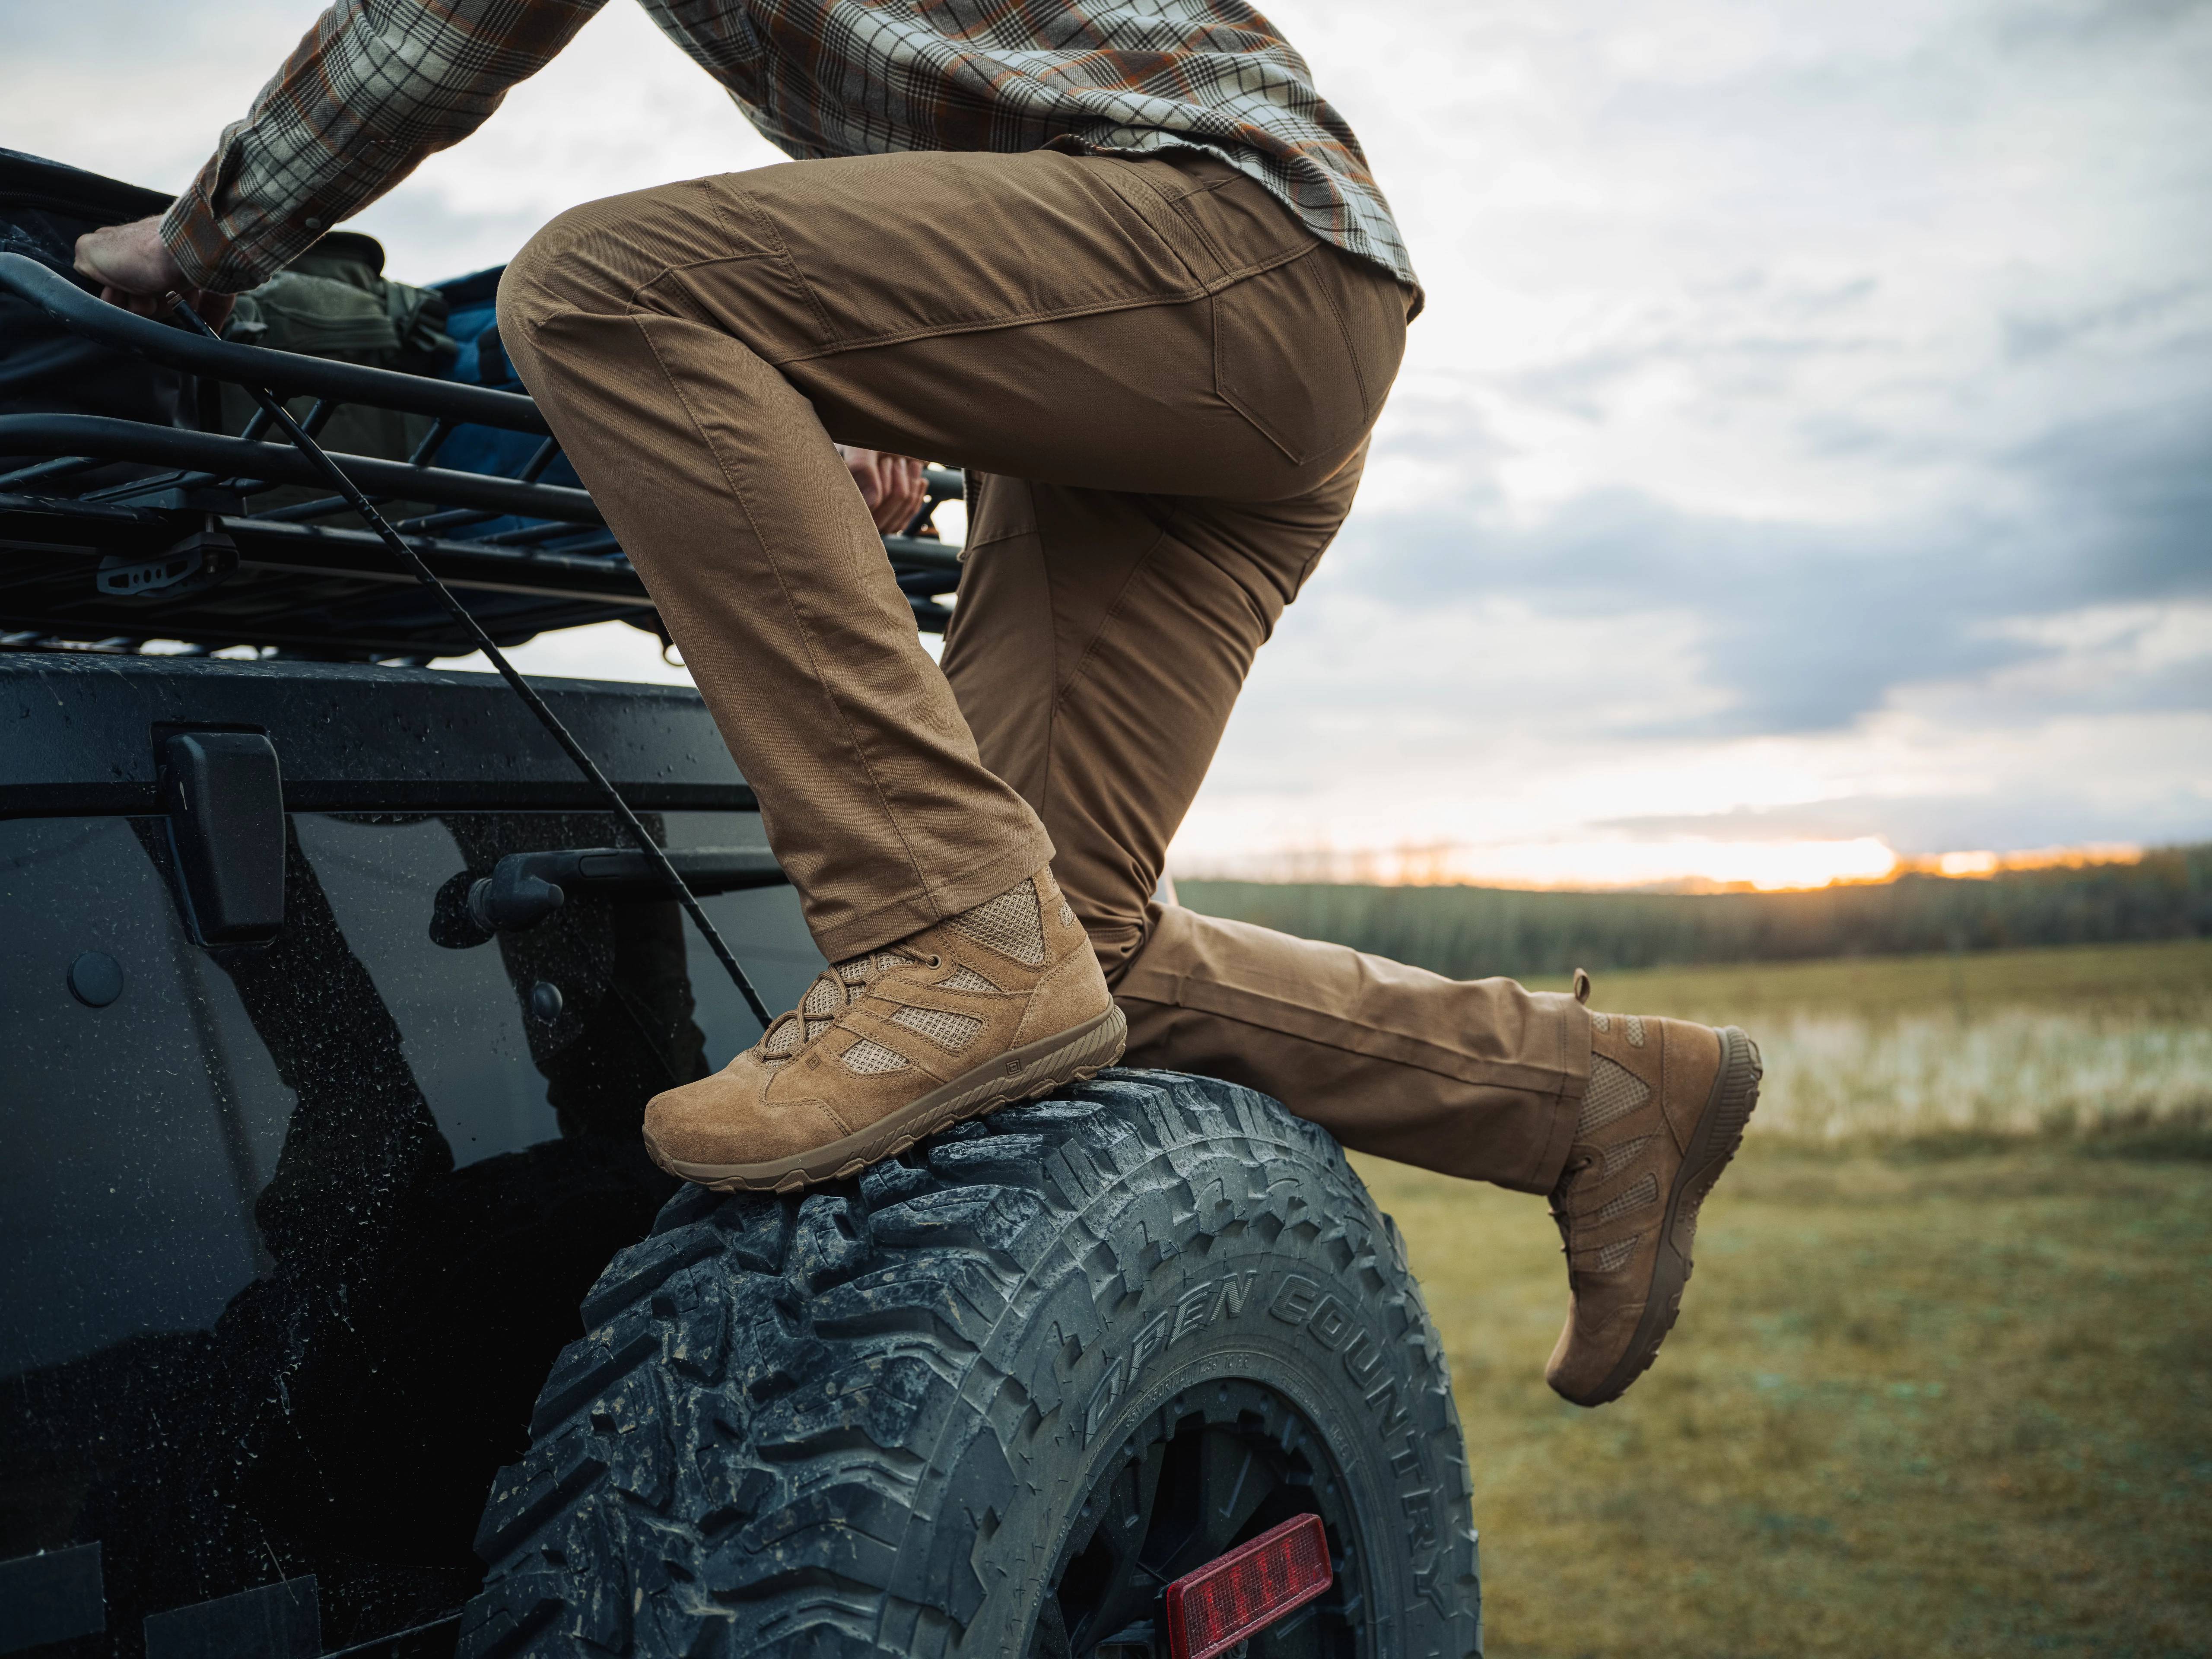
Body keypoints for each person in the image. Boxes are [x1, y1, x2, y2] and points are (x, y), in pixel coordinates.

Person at [77, 0, 1761, 1409]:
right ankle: (1587, 1098)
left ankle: (937, 934)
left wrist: (195, 245)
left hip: (1220, 247)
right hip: (1201, 331)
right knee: (1064, 946)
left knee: (606, 287)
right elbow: (964, 118)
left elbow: (429, 34)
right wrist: (856, 361)